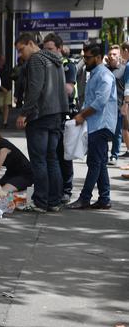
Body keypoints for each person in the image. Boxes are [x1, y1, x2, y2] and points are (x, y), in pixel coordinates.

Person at [14, 33, 69, 213]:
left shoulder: (37, 59)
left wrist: (24, 113)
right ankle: (53, 201)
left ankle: (40, 202)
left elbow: (35, 89)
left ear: (31, 43)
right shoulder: (56, 60)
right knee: (52, 158)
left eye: (21, 50)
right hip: (56, 114)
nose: (20, 55)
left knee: (39, 160)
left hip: (40, 115)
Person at [66, 44, 117, 210]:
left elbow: (100, 102)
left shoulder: (104, 75)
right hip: (96, 123)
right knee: (100, 162)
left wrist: (82, 115)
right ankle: (104, 198)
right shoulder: (95, 74)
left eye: (87, 58)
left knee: (94, 162)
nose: (85, 61)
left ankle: (85, 198)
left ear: (97, 57)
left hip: (101, 124)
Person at [43, 33, 77, 204]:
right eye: (45, 49)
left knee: (64, 154)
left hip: (65, 116)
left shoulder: (68, 66)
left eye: (50, 49)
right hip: (50, 115)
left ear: (59, 49)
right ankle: (54, 188)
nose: (47, 52)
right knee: (52, 154)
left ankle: (66, 189)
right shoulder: (44, 64)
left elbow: (69, 89)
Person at [105, 45, 125, 165]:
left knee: (117, 132)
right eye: (110, 54)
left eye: (114, 54)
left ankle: (114, 155)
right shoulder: (104, 69)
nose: (112, 56)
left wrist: (124, 104)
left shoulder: (124, 69)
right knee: (104, 132)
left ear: (119, 56)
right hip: (105, 107)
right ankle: (103, 154)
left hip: (118, 106)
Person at [0, 55, 12, 128]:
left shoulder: (7, 68)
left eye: (3, 60)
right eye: (1, 60)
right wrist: (2, 88)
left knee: (6, 105)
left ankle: (5, 122)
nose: (3, 61)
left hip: (8, 89)